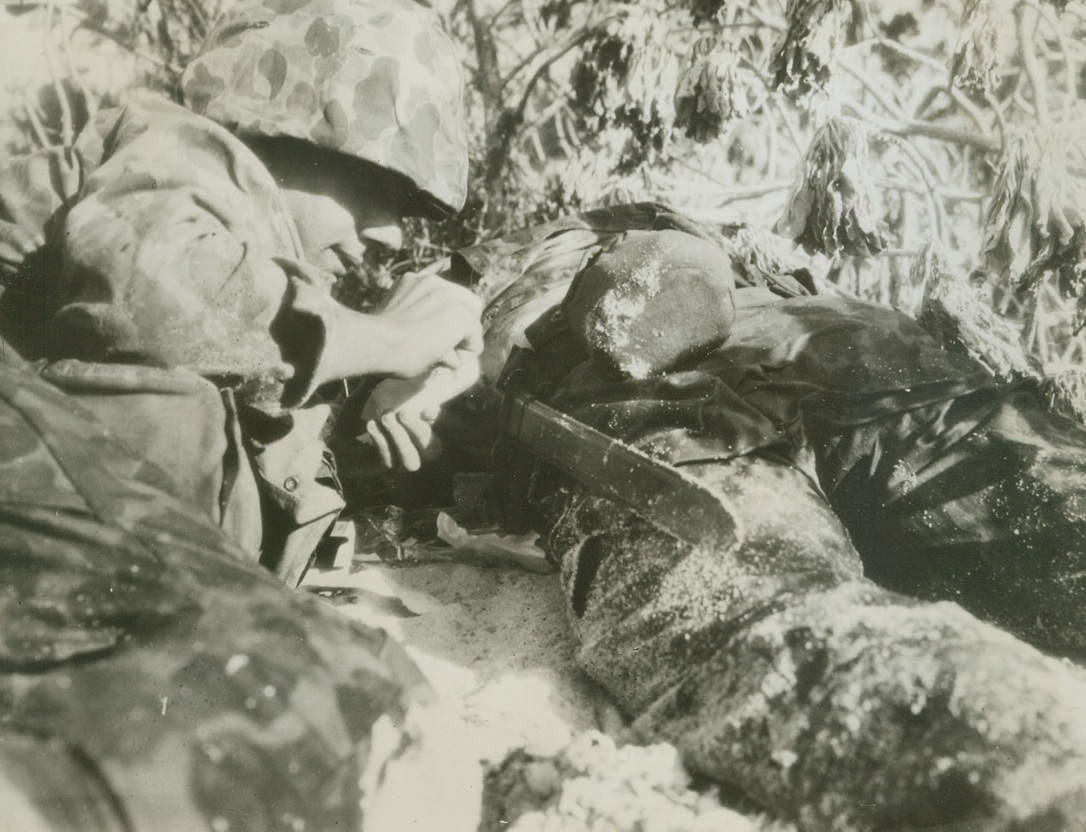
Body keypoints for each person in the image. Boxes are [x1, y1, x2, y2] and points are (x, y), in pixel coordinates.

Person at [438, 203, 1086, 830]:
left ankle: (1041, 778)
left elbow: (431, 381)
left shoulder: (489, 270)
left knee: (765, 627)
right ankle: (1045, 779)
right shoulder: (715, 234)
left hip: (653, 389)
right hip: (847, 348)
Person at [0, 0, 483, 584]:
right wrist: (395, 337)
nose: (389, 231)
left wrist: (380, 389)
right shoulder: (179, 149)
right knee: (175, 415)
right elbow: (157, 307)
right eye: (384, 179)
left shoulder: (245, 246)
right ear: (290, 123)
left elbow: (244, 384)